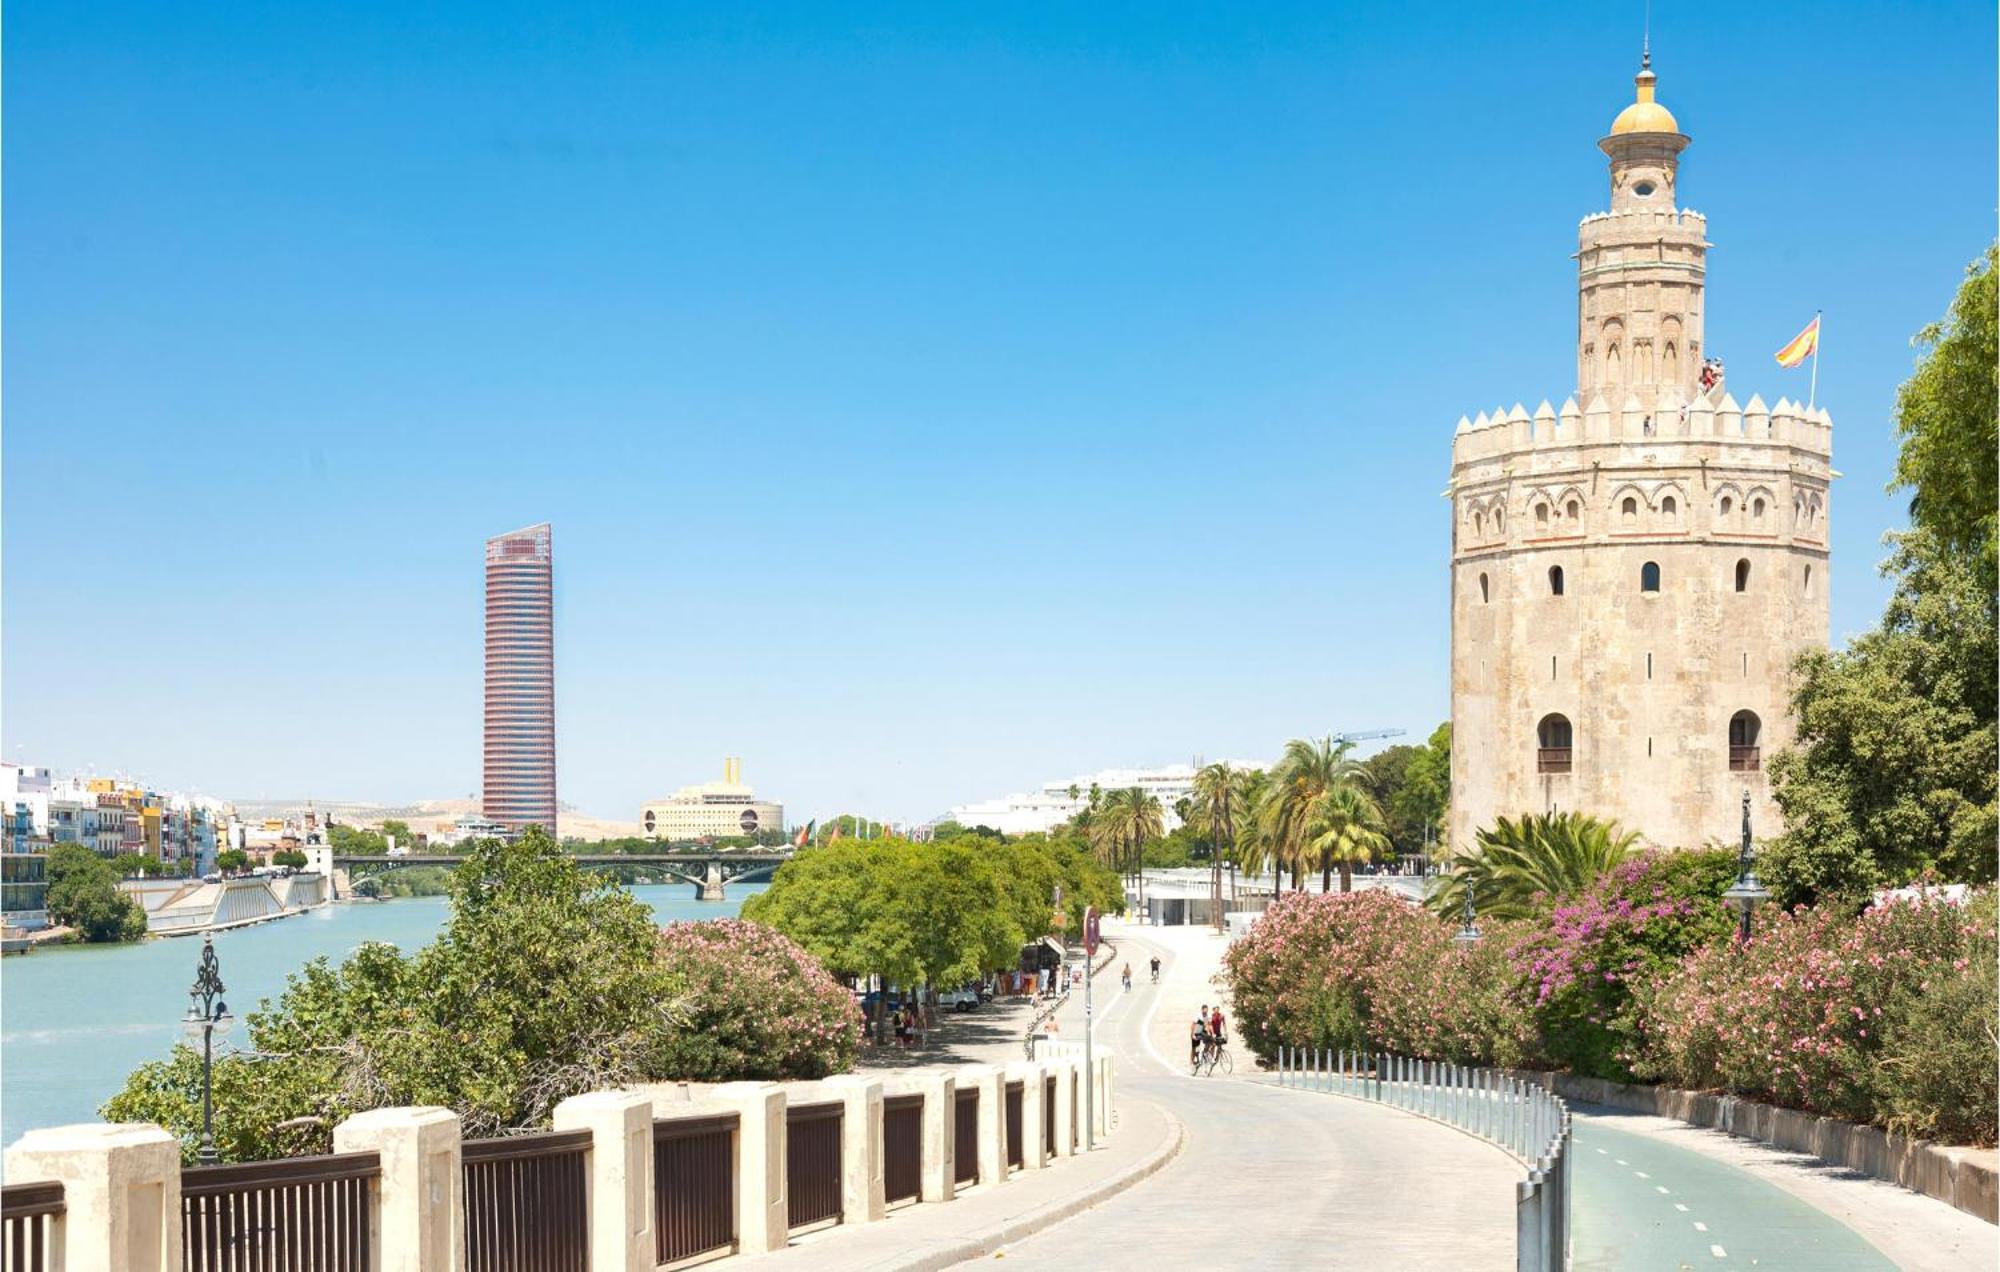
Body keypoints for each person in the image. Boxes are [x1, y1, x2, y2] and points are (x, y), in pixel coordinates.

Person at [1191, 1005, 1210, 1069]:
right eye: (1205, 1010)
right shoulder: (1198, 1016)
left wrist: (1209, 1032)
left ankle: (1204, 1056)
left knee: (1207, 1041)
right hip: (1196, 1032)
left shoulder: (1207, 1016)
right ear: (1202, 1009)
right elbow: (1193, 1025)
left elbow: (1207, 1025)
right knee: (1194, 1048)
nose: (1206, 1011)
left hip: (1202, 1032)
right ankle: (1192, 1061)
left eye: (1207, 1010)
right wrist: (1193, 1034)